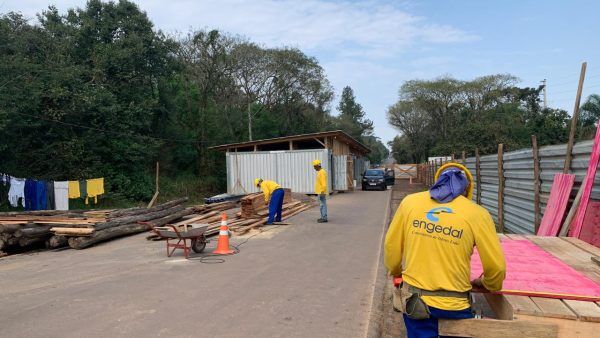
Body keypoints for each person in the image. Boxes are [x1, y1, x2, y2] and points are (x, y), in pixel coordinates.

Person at [384, 163, 506, 338]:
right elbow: (497, 267)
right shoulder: (478, 214)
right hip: (455, 305)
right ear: (467, 189)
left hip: (416, 301)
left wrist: (396, 271)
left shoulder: (409, 203)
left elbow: (391, 246)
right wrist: (489, 284)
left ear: (438, 182)